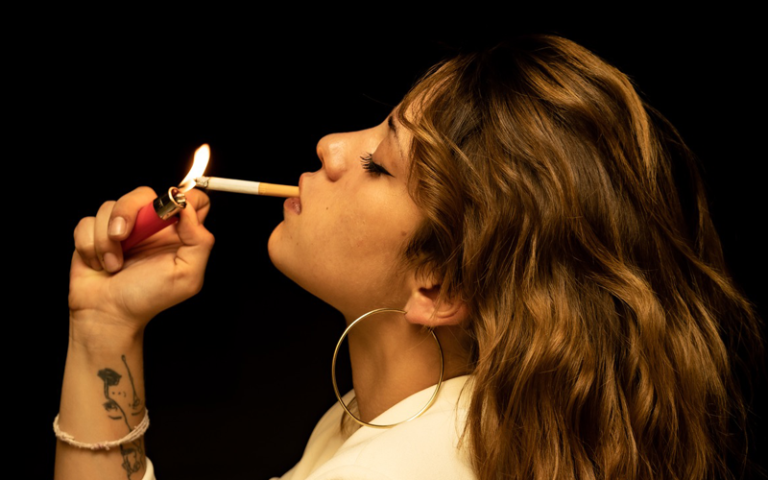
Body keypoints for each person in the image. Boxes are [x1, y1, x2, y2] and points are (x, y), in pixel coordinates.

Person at [55, 35, 763, 480]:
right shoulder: (413, 424)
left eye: (379, 164)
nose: (331, 146)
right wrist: (104, 330)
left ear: (440, 285)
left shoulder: (396, 467)